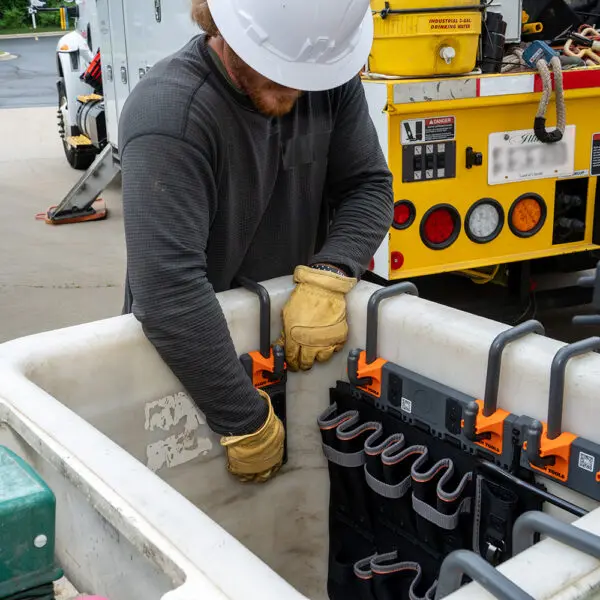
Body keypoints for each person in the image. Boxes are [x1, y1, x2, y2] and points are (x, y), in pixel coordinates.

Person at [118, 0, 394, 484]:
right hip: (189, 361)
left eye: (307, 73)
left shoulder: (322, 78)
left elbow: (367, 186)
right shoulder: (171, 112)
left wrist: (333, 270)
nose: (295, 84)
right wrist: (243, 420)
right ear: (221, 24)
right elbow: (167, 291)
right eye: (276, 68)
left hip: (289, 347)